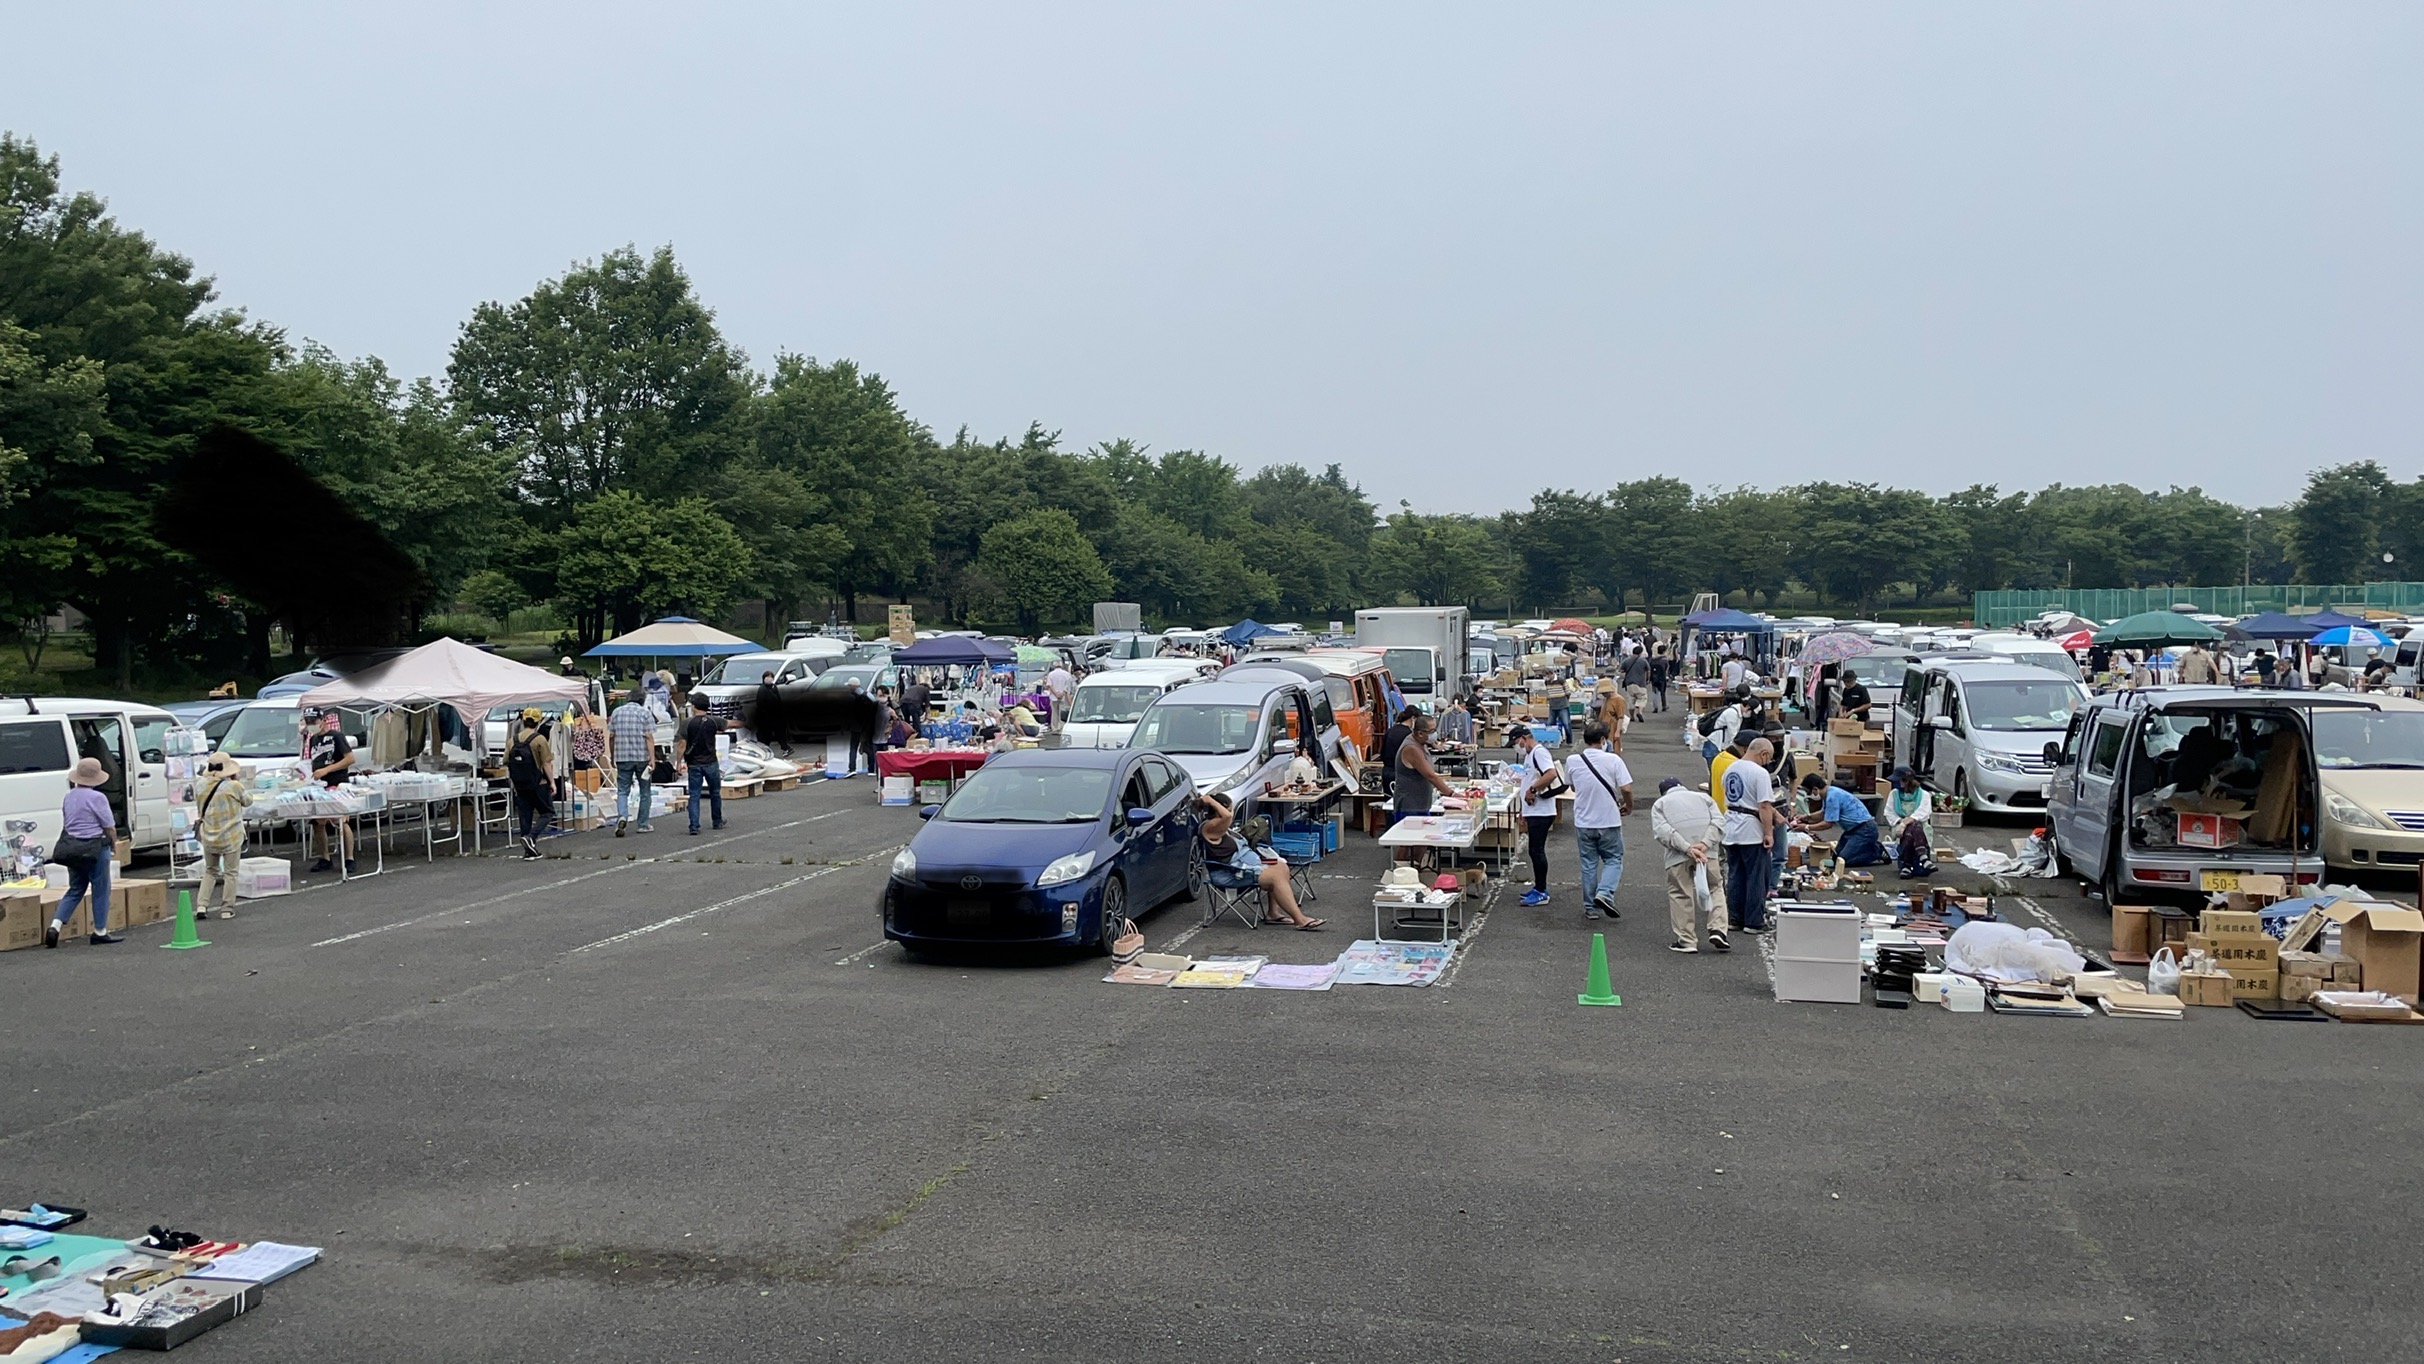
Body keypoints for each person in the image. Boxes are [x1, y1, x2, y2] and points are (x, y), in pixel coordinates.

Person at [1197, 793, 1323, 929]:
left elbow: (1227, 816)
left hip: (1244, 867)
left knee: (1282, 867)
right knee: (1275, 877)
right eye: (1229, 809)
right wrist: (1209, 800)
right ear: (1220, 810)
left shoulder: (1223, 828)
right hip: (1230, 873)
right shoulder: (1209, 828)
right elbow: (1227, 816)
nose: (1231, 814)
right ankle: (1300, 919)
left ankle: (1273, 913)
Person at [46, 756, 122, 946]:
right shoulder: (98, 798)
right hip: (95, 847)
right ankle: (100, 931)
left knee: (75, 888)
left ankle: (55, 926)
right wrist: (114, 844)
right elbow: (109, 826)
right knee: (101, 889)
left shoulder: (69, 795)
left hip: (72, 847)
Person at [1651, 775, 1729, 953]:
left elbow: (1663, 831)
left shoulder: (1660, 804)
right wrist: (1705, 844)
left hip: (1678, 855)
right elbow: (1719, 822)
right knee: (1715, 887)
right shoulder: (1704, 798)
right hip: (1707, 853)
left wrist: (1687, 848)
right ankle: (1718, 929)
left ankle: (1687, 940)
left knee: (1680, 892)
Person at [1564, 722, 1633, 920]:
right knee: (1613, 859)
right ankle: (1605, 893)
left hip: (1584, 821)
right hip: (1609, 819)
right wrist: (1629, 805)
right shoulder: (1613, 760)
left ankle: (1590, 907)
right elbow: (1626, 788)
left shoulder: (1573, 760)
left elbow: (1572, 786)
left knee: (1588, 863)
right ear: (1603, 740)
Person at [1719, 736, 1777, 933]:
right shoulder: (1759, 773)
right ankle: (1753, 921)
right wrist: (1768, 833)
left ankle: (1735, 918)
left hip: (1731, 825)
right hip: (1751, 828)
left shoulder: (1730, 769)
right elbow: (1764, 805)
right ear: (1764, 754)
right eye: (1769, 759)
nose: (1768, 763)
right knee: (1756, 876)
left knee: (1735, 875)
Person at [195, 750, 251, 919]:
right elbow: (248, 801)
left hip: (209, 835)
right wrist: (236, 781)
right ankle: (227, 908)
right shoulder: (234, 787)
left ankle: (201, 906)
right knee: (231, 872)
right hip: (231, 836)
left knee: (210, 871)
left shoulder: (201, 785)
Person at [1509, 726, 1561, 907]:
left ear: (1524, 738)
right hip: (1534, 810)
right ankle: (1538, 887)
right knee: (1534, 850)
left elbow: (1551, 773)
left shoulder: (1539, 752)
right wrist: (1524, 810)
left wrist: (1532, 790)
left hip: (1542, 811)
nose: (1517, 747)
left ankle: (1541, 891)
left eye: (1516, 743)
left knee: (1536, 850)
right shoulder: (1530, 755)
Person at [304, 708, 356, 873]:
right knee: (318, 823)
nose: (312, 725)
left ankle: (349, 858)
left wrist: (327, 770)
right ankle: (325, 857)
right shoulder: (313, 739)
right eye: (308, 722)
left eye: (314, 721)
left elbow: (350, 758)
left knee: (342, 821)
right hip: (319, 786)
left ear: (323, 720)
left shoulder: (336, 736)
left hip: (338, 784)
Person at [1796, 772, 1883, 867]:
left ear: (1815, 789)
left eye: (1809, 792)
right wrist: (1806, 817)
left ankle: (1877, 852)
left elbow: (1828, 824)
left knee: (1843, 860)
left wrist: (1806, 827)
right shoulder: (1829, 793)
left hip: (1864, 829)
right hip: (1852, 830)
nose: (1809, 795)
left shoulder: (1832, 797)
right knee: (1836, 857)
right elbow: (1823, 813)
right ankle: (1867, 846)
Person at [506, 707, 555, 859]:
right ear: (538, 721)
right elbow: (546, 763)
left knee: (525, 815)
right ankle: (531, 838)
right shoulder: (539, 739)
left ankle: (528, 851)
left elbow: (506, 761)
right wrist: (552, 782)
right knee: (547, 812)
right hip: (537, 783)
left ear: (522, 720)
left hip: (519, 784)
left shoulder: (512, 740)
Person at [607, 689, 657, 836]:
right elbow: (649, 737)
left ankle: (622, 815)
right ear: (642, 699)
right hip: (641, 757)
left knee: (622, 790)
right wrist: (652, 758)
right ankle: (643, 824)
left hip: (622, 757)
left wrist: (612, 755)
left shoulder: (616, 712)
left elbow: (611, 736)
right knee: (645, 791)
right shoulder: (645, 713)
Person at [1392, 713, 1457, 818]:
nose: (1435, 734)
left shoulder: (1421, 742)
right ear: (1420, 733)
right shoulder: (1411, 748)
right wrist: (1452, 794)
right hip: (1410, 808)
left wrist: (1435, 744)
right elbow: (1430, 776)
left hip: (1420, 805)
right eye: (1432, 731)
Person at [680, 698, 727, 835]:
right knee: (715, 792)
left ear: (694, 707)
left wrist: (678, 762)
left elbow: (682, 744)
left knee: (694, 794)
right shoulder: (713, 721)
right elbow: (728, 725)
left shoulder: (687, 723)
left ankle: (694, 825)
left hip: (694, 763)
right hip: (711, 761)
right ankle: (717, 821)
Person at [1883, 767, 1935, 877]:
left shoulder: (1924, 795)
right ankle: (1923, 857)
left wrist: (1905, 824)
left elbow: (1922, 814)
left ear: (1907, 781)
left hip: (1919, 827)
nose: (1896, 783)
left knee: (1913, 827)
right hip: (1899, 826)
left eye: (1900, 780)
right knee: (1912, 827)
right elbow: (1889, 812)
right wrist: (1901, 822)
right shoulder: (1894, 794)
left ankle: (1906, 866)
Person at [1378, 706, 1418, 805]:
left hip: (1387, 771)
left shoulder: (1390, 730)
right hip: (1401, 773)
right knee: (1402, 804)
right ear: (1413, 718)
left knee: (1389, 804)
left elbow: (1382, 752)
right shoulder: (1409, 735)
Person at [1700, 689, 1745, 766]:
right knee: (1717, 771)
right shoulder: (1731, 714)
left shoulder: (1729, 711)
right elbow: (1733, 734)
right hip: (1716, 744)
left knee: (1715, 772)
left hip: (1713, 743)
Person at [753, 671, 793, 756]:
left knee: (779, 733)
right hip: (766, 717)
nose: (769, 679)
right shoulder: (762, 689)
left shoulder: (774, 688)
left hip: (775, 716)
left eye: (771, 677)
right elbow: (760, 704)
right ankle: (764, 751)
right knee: (766, 736)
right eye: (767, 677)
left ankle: (785, 748)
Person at [1044, 661, 1075, 734]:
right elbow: (1068, 686)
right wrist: (1062, 693)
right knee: (1062, 712)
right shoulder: (1067, 674)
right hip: (1064, 696)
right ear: (1062, 666)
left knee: (1054, 713)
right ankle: (1061, 728)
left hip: (1053, 696)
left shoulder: (1051, 674)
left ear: (1054, 666)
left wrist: (1055, 693)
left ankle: (1054, 728)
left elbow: (1049, 685)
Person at [1621, 646, 1652, 718]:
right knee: (1642, 698)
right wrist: (1647, 680)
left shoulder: (1626, 660)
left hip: (1629, 683)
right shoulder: (1643, 661)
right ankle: (1640, 712)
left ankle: (1632, 716)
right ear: (1640, 653)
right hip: (1641, 683)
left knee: (1630, 699)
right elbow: (1648, 671)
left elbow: (1621, 670)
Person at [1649, 646, 1672, 712]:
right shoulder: (1665, 660)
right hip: (1662, 677)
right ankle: (1664, 706)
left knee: (1654, 692)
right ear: (1664, 651)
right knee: (1663, 692)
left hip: (1654, 677)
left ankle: (1655, 707)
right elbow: (1667, 669)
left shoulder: (1652, 659)